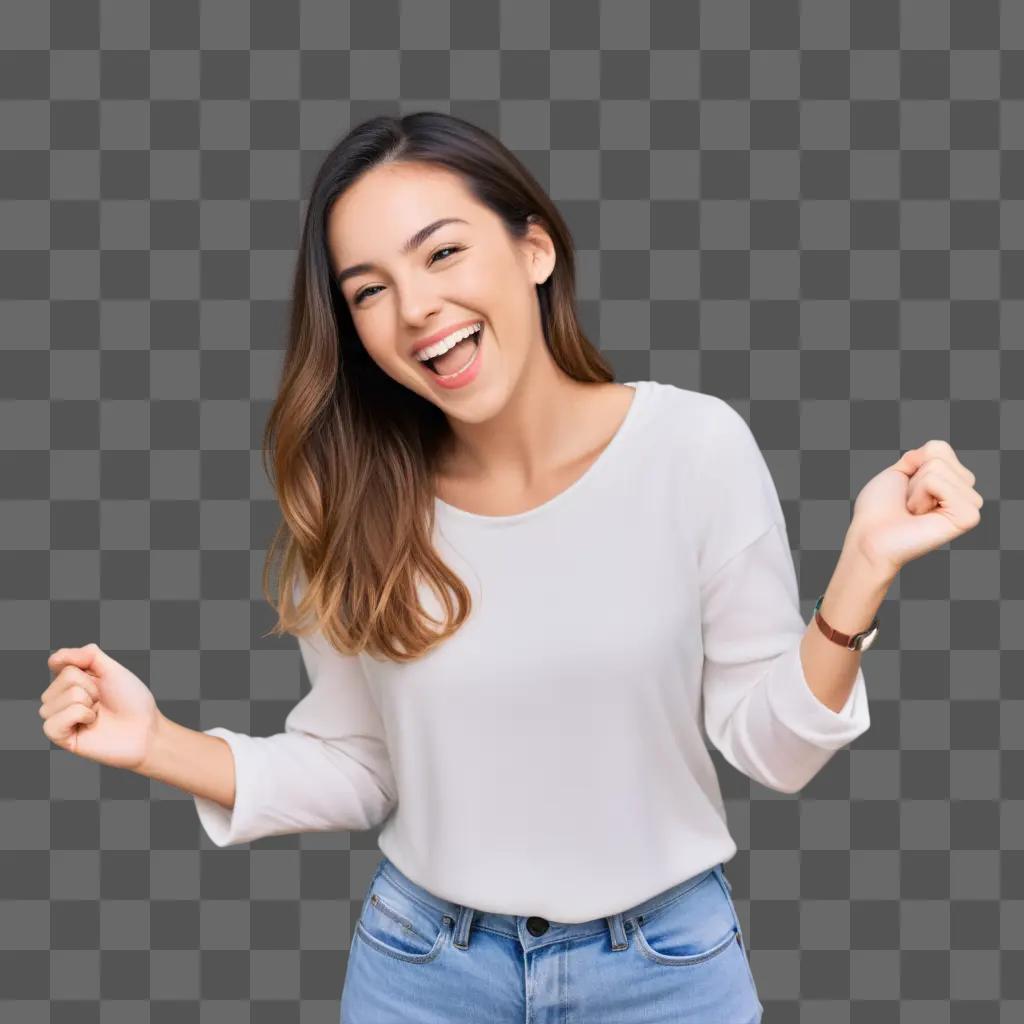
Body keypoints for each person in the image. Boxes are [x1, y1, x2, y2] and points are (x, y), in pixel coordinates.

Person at [45, 110, 962, 1023]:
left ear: (534, 249)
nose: (415, 311)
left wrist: (864, 568)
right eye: (369, 290)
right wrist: (158, 743)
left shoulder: (693, 449)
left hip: (665, 973)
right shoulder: (360, 501)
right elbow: (361, 766)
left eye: (441, 253)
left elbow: (776, 750)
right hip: (420, 971)